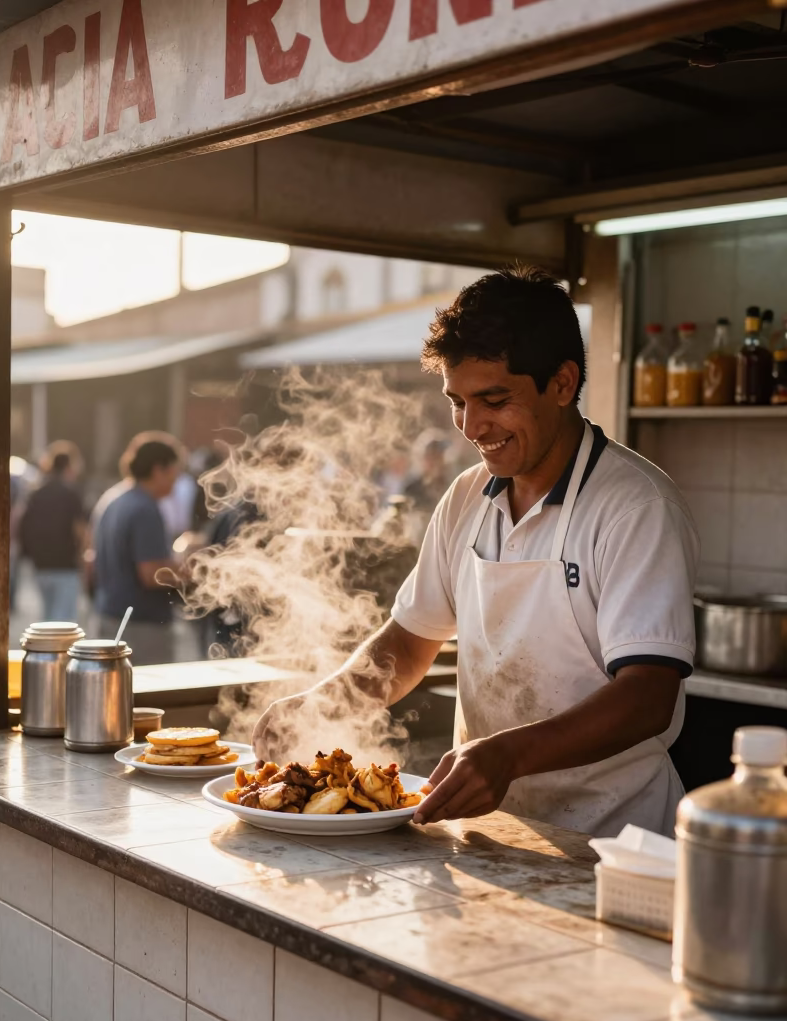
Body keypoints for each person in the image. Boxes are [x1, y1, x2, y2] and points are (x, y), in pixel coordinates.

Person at [254, 266, 699, 837]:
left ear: (562, 384)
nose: (471, 425)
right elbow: (410, 642)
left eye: (494, 399)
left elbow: (647, 697)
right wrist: (321, 703)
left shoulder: (636, 507)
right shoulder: (467, 496)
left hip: (614, 836)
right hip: (490, 828)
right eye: (457, 402)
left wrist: (506, 756)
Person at [91, 432, 183, 665]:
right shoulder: (144, 508)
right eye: (174, 470)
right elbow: (152, 574)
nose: (177, 478)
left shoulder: (113, 498)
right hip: (141, 627)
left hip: (110, 616)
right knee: (146, 696)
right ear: (158, 470)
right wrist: (193, 571)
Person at [18, 441, 86, 621]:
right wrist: (84, 559)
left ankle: (47, 650)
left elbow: (22, 523)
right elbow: (80, 530)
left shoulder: (35, 493)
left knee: (48, 617)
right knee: (63, 622)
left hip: (40, 564)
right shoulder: (71, 493)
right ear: (69, 466)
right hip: (65, 565)